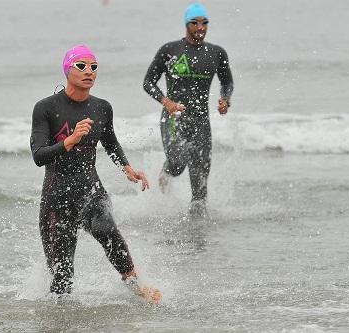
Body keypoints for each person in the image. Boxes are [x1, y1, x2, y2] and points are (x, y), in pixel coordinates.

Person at [30, 44, 161, 304]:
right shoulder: (45, 108)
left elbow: (110, 141)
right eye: (81, 66)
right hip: (57, 199)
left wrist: (127, 168)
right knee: (62, 279)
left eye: (93, 67)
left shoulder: (102, 108)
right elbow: (38, 155)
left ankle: (136, 285)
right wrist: (71, 139)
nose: (89, 71)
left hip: (91, 190)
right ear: (68, 69)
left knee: (106, 228)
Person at [143, 2, 234, 217]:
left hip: (201, 121)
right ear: (187, 24)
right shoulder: (169, 50)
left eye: (204, 23)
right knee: (178, 162)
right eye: (195, 22)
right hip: (173, 117)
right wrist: (166, 102)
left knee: (200, 188)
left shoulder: (216, 53)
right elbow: (148, 82)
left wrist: (225, 99)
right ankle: (166, 173)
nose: (200, 27)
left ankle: (198, 237)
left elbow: (227, 82)